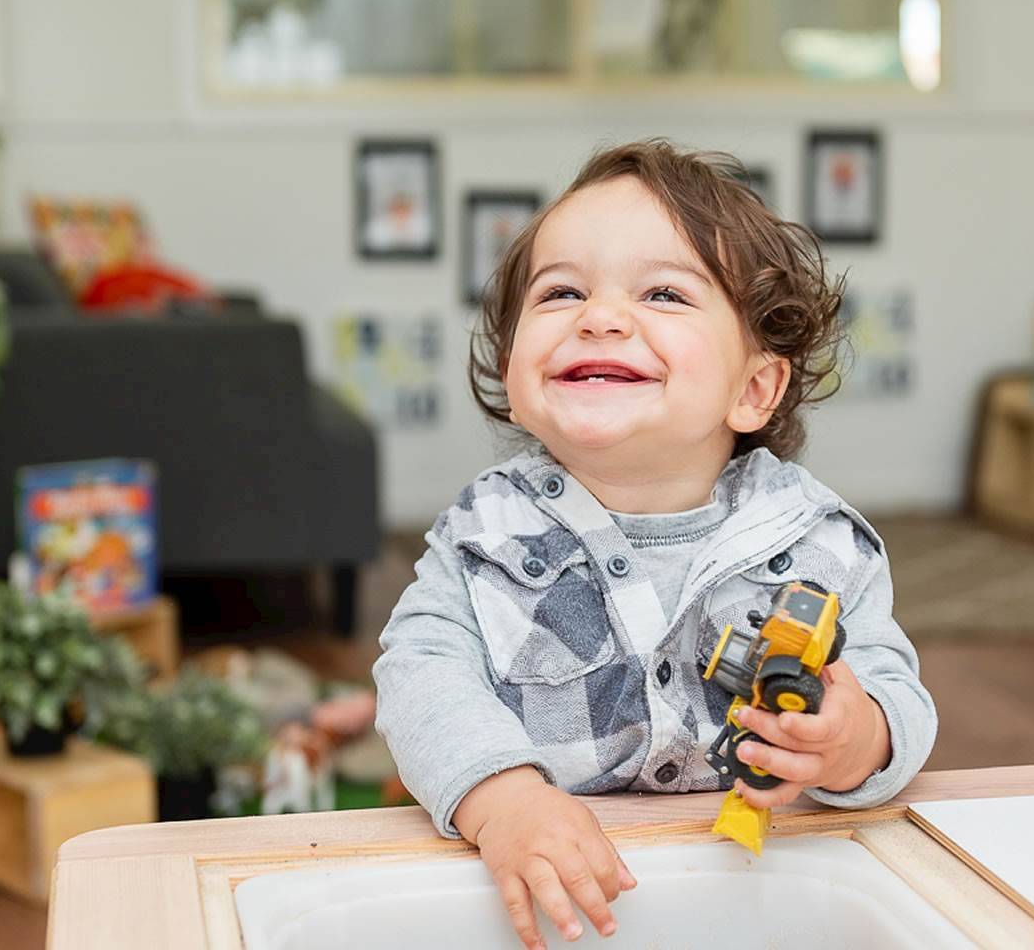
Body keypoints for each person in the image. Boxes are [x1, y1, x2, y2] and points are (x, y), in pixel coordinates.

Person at [373, 140, 936, 949]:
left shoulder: (819, 544)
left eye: (664, 293)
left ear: (753, 387)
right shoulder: (483, 537)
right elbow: (420, 676)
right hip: (555, 903)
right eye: (561, 291)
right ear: (514, 367)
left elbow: (895, 694)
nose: (599, 316)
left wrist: (855, 739)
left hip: (761, 897)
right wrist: (505, 800)